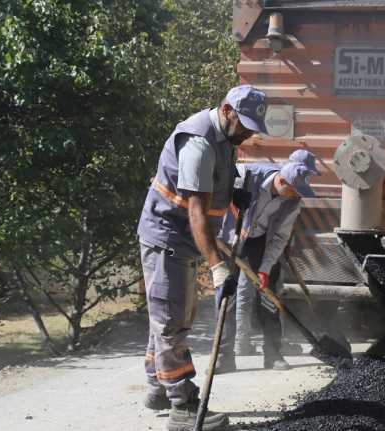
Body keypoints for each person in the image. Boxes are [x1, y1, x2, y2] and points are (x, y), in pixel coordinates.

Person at [136, 85, 267, 431]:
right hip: (168, 237)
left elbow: (212, 189)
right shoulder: (199, 143)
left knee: (165, 315)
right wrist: (217, 266)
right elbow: (196, 212)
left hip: (181, 239)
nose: (249, 133)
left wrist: (233, 191)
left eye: (254, 127)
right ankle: (182, 404)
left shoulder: (225, 140)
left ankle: (157, 389)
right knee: (170, 320)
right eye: (245, 125)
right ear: (227, 110)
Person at [215, 161, 317, 373]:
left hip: (259, 242)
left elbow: (280, 237)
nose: (295, 196)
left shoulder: (292, 202)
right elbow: (211, 188)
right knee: (227, 297)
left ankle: (272, 354)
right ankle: (224, 357)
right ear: (281, 181)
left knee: (268, 298)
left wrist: (265, 268)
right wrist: (231, 193)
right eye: (293, 191)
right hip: (228, 238)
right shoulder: (245, 175)